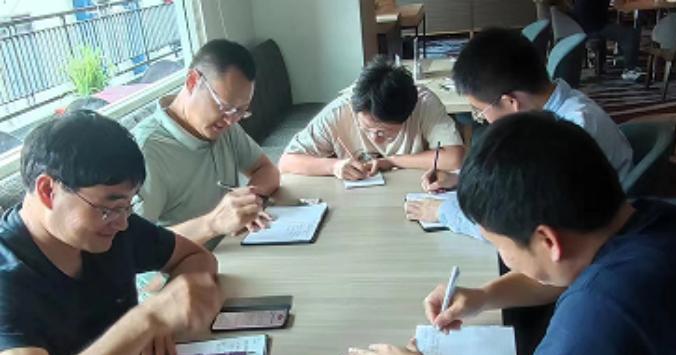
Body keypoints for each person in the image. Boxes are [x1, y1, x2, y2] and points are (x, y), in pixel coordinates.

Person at [340, 112, 676, 355]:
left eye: (501, 246)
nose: (504, 257)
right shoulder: (656, 219)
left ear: (547, 241)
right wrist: (485, 296)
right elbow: (567, 272)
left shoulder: (602, 309)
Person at [0, 111, 226, 355]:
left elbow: (197, 258)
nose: (121, 222)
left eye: (128, 206)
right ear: (48, 190)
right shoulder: (10, 277)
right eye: (109, 206)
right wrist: (143, 322)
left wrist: (161, 312)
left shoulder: (112, 230)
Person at [405, 28, 633, 239]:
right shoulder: (553, 111)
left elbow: (521, 228)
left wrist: (444, 212)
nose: (483, 120)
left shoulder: (568, 135)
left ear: (510, 102)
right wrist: (460, 180)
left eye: (480, 111)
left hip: (590, 240)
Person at [133, 39, 280, 246]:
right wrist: (213, 223)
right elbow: (135, 244)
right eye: (224, 107)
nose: (231, 120)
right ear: (192, 81)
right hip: (185, 263)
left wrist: (247, 204)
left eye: (241, 111)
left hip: (234, 247)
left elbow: (267, 170)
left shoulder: (225, 126)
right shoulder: (146, 151)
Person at [278, 56, 464, 181]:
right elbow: (287, 162)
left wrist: (392, 161)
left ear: (407, 115)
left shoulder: (424, 104)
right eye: (367, 129)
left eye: (384, 132)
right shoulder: (339, 111)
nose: (375, 139)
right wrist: (334, 166)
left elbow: (454, 158)